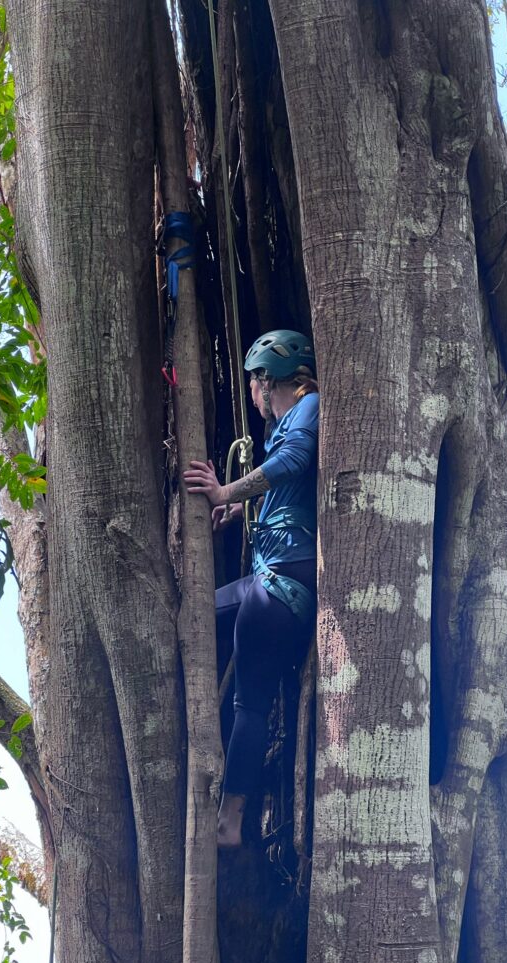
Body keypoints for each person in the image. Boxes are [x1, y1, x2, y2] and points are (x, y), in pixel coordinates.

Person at [184, 329, 318, 848]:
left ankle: (231, 817)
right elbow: (290, 488)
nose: (254, 394)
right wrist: (239, 507)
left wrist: (224, 489)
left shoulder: (308, 408)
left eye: (255, 382)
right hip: (268, 579)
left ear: (267, 380)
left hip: (282, 585)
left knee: (251, 704)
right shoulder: (289, 422)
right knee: (195, 614)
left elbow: (295, 463)